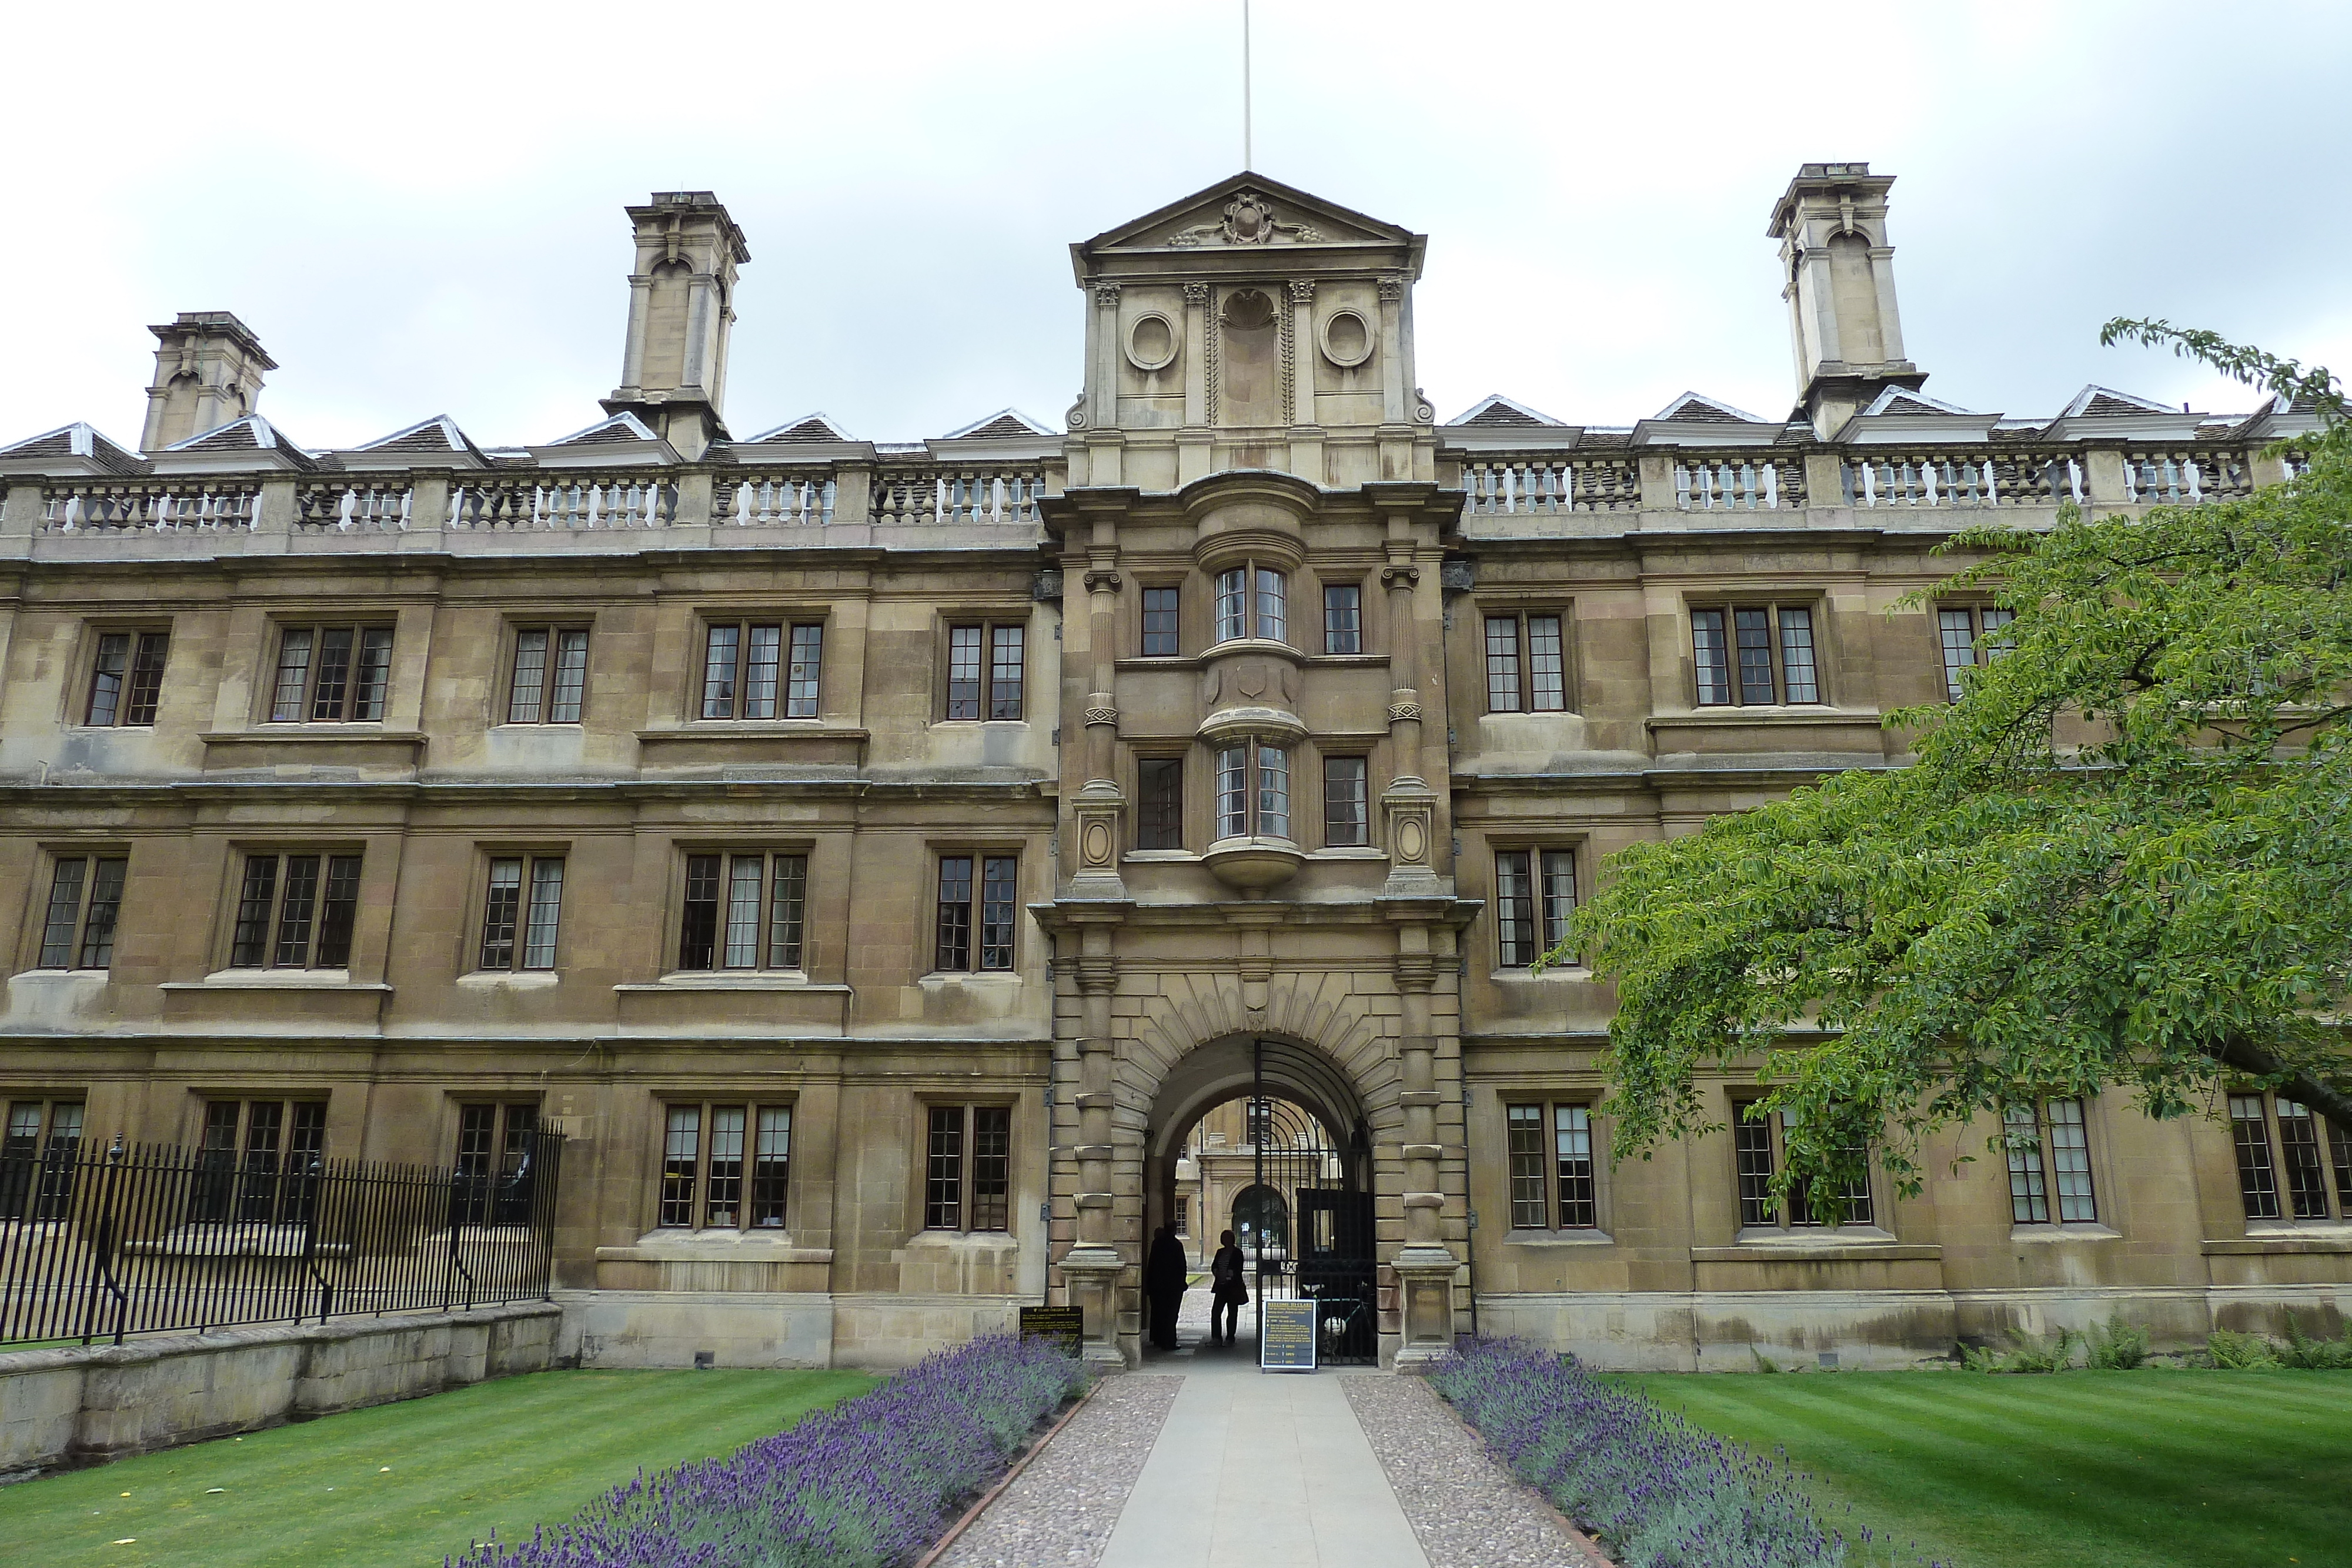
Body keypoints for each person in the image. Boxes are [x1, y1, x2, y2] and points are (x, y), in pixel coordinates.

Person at [1144, 1222, 1188, 1350]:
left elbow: (1151, 1265)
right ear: (1174, 1230)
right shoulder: (1176, 1245)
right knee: (1171, 1314)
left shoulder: (1157, 1244)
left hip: (1158, 1286)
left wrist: (1149, 1284)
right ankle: (1170, 1341)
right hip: (1173, 1286)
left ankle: (1159, 1339)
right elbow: (1182, 1266)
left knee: (1159, 1313)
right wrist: (1182, 1282)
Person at [1209, 1228, 1248, 1348]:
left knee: (1232, 1312)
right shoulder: (1220, 1252)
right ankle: (1216, 1338)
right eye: (1223, 1238)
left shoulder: (1238, 1253)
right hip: (1221, 1286)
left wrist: (1230, 1275)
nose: (1225, 1240)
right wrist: (1216, 1271)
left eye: (1227, 1238)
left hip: (1233, 1287)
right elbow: (1214, 1265)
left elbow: (1238, 1269)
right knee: (1216, 1312)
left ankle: (1230, 1337)